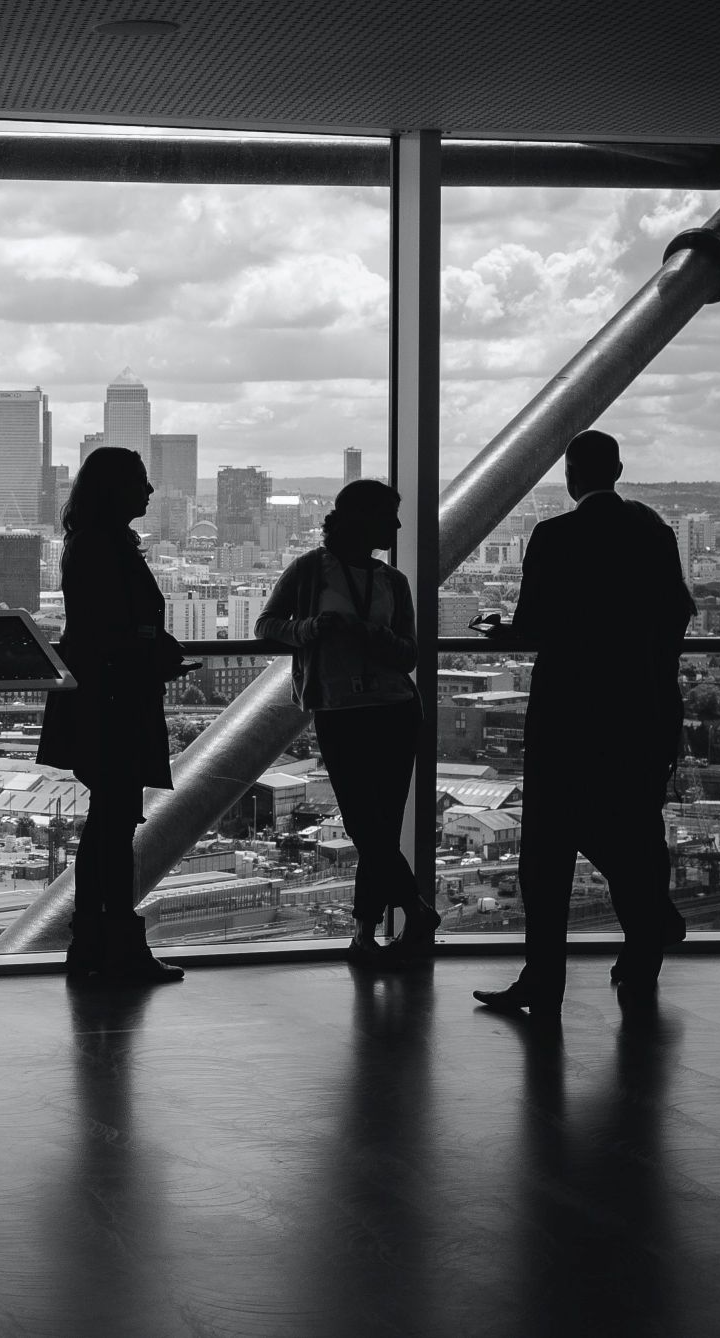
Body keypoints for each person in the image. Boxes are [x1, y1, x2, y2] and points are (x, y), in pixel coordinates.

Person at [473, 430, 695, 1017]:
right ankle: (644, 949)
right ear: (618, 469)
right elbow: (677, 615)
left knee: (547, 854)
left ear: (571, 476)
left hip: (569, 713)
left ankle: (544, 980)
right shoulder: (655, 536)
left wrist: (499, 633)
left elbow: (535, 627)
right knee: (635, 830)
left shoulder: (555, 535)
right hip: (641, 710)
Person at [258, 479, 436, 966]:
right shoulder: (310, 571)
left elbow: (408, 654)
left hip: (391, 709)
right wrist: (311, 629)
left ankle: (365, 933)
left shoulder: (391, 581)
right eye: (389, 516)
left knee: (376, 826)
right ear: (362, 519)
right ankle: (413, 909)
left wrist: (362, 632)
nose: (398, 526)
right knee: (368, 826)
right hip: (346, 710)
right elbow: (267, 625)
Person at [36, 446, 193, 983]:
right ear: (115, 490)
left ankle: (94, 945)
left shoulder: (90, 544)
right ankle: (117, 947)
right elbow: (113, 631)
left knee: (107, 826)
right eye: (141, 482)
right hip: (114, 701)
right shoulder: (106, 547)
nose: (150, 492)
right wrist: (155, 653)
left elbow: (99, 628)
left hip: (100, 698)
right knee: (113, 827)